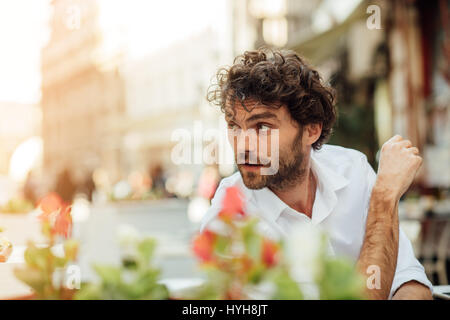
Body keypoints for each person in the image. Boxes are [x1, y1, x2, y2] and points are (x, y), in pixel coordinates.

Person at [201, 48, 433, 300]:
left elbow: (410, 282)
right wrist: (385, 198)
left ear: (311, 130)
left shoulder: (352, 169)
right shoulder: (230, 218)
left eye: (262, 127)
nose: (243, 145)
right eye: (234, 126)